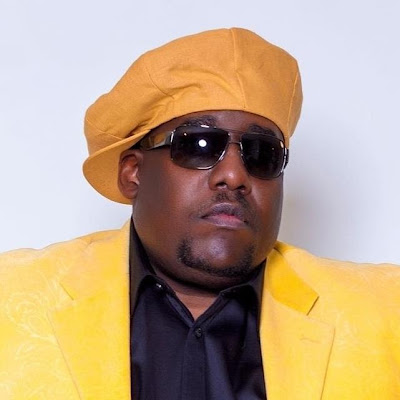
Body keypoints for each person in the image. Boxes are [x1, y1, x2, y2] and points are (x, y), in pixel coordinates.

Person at [0, 27, 399, 400]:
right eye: (200, 145)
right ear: (133, 172)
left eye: (261, 153)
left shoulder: (385, 311)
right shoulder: (12, 297)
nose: (234, 175)